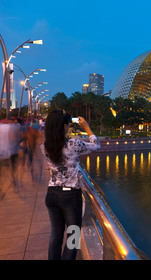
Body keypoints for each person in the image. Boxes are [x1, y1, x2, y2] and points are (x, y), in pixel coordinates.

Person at [41, 110, 100, 260]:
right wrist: (86, 127)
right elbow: (96, 145)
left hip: (52, 194)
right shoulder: (74, 144)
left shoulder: (45, 146)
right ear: (65, 127)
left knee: (56, 235)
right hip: (70, 197)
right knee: (73, 236)